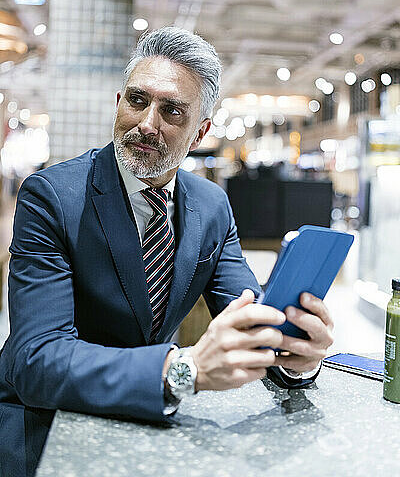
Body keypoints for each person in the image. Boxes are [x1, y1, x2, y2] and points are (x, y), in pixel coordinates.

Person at [0, 27, 334, 476]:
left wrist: (295, 356)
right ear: (119, 101)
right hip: (46, 423)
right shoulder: (52, 197)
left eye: (172, 111)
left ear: (200, 132)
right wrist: (184, 368)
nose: (147, 123)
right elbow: (35, 361)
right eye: (138, 100)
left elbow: (248, 316)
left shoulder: (211, 205)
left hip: (151, 424)